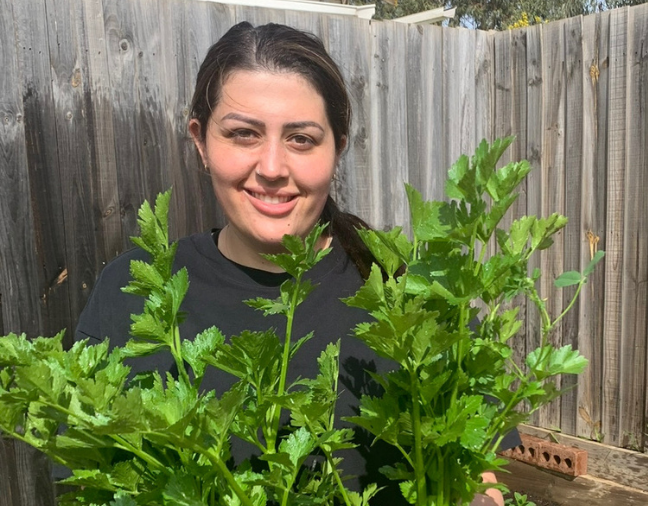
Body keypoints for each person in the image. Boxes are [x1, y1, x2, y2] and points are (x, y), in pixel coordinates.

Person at [75, 22, 509, 506]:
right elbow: (93, 484)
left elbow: (480, 480)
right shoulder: (131, 296)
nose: (273, 167)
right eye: (243, 134)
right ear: (201, 142)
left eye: (301, 139)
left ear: (338, 147)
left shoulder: (414, 293)